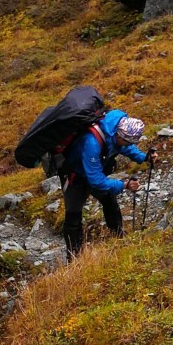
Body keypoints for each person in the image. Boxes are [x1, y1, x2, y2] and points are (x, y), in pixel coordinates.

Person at [61, 110, 152, 258]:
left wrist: (144, 157)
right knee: (73, 215)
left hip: (93, 171)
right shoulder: (92, 142)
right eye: (127, 141)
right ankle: (73, 256)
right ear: (119, 135)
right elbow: (96, 180)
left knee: (109, 198)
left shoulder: (116, 132)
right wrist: (124, 185)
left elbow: (126, 147)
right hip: (75, 177)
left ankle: (117, 235)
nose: (128, 144)